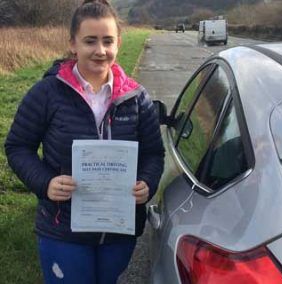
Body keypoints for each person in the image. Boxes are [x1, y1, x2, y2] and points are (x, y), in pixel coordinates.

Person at [4, 0, 164, 283]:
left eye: (107, 41)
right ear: (73, 44)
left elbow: (153, 153)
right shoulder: (46, 93)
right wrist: (45, 182)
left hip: (118, 230)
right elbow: (18, 146)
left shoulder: (138, 98)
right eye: (90, 41)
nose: (100, 51)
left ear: (118, 43)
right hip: (62, 230)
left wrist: (147, 183)